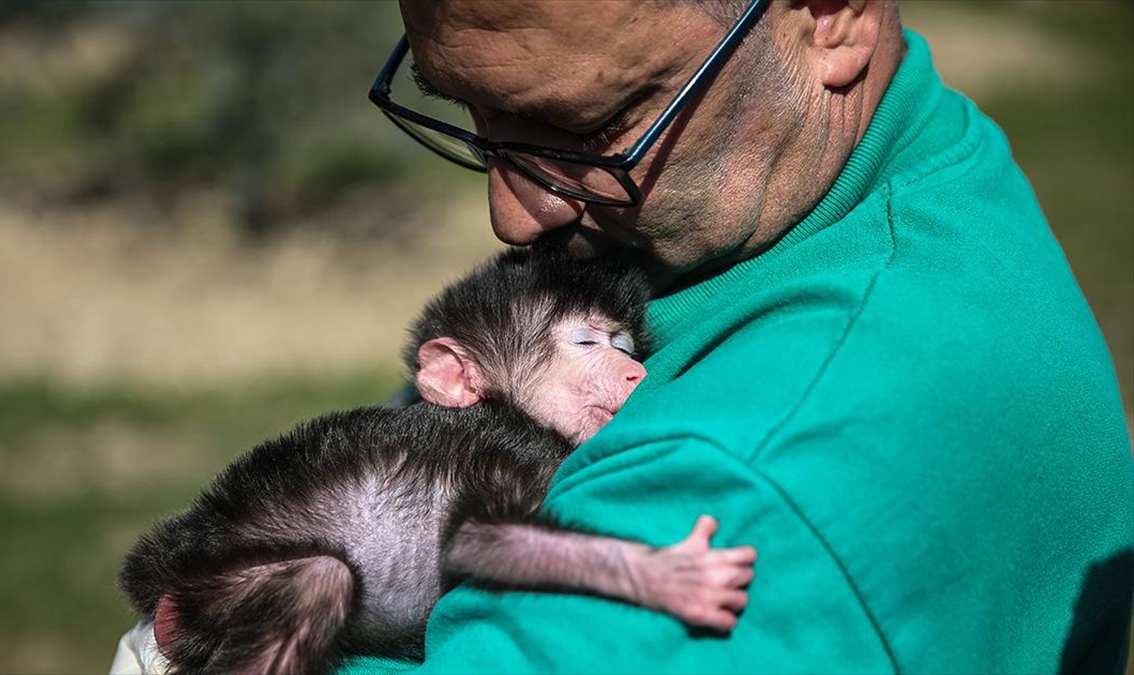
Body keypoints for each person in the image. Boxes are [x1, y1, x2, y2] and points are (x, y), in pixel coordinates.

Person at [112, 1, 1131, 672]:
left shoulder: (746, 478)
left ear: (828, 17)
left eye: (588, 130)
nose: (512, 219)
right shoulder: (918, 163)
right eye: (473, 112)